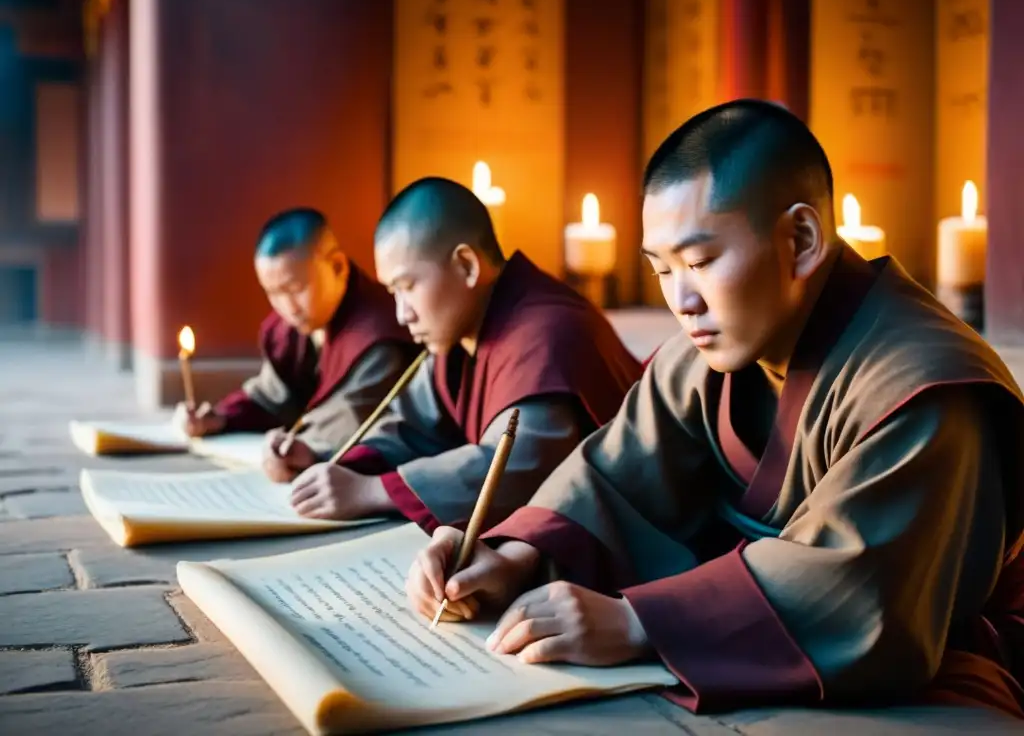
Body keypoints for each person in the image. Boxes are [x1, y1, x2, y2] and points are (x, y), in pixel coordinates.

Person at [405, 100, 1024, 720]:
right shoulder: (709, 355)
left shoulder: (924, 388)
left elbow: (863, 594)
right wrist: (513, 558)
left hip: (917, 683)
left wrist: (636, 624)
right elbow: (611, 479)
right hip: (729, 649)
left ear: (801, 241)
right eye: (662, 269)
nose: (682, 301)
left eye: (700, 263)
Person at [288, 177, 643, 529]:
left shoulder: (546, 331)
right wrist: (337, 463)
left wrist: (372, 491)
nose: (401, 313)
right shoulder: (462, 329)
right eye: (393, 292)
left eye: (408, 287)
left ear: (467, 266)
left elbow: (519, 465)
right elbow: (412, 426)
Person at [173, 207, 420, 483]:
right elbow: (271, 395)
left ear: (337, 266)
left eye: (294, 289)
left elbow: (351, 417)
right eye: (273, 293)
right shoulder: (291, 329)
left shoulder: (379, 334)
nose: (287, 307)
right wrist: (219, 418)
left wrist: (298, 446)